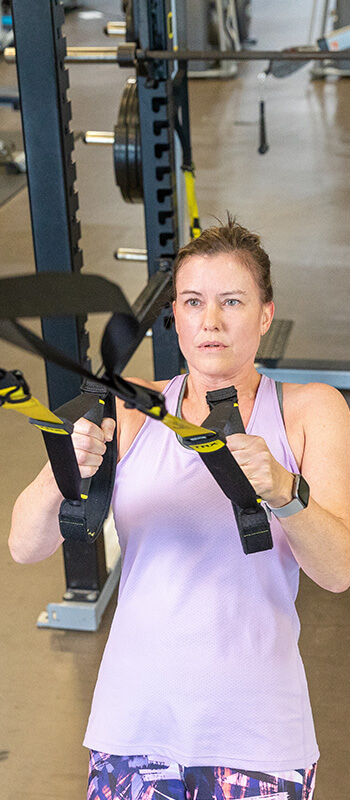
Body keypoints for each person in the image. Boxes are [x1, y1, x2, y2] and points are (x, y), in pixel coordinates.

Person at [9, 217, 350, 800]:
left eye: (232, 301)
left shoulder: (308, 410)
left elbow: (338, 571)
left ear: (266, 314)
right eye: (194, 302)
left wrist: (282, 489)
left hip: (258, 736)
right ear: (176, 314)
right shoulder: (130, 408)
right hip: (133, 729)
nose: (211, 321)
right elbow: (24, 544)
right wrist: (64, 473)